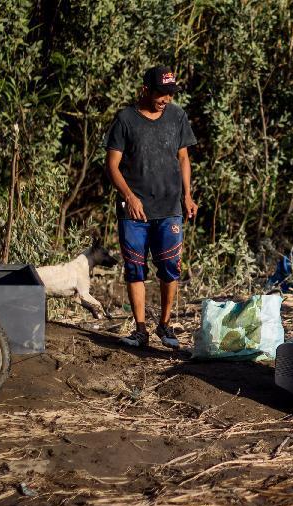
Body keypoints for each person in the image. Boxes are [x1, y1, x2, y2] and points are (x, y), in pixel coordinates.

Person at [105, 66, 197, 349]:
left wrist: (188, 195)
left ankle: (165, 325)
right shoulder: (125, 119)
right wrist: (130, 197)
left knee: (170, 266)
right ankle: (140, 329)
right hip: (134, 211)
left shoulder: (177, 117)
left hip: (169, 207)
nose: (166, 99)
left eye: (170, 93)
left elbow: (183, 158)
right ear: (146, 89)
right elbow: (112, 165)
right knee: (135, 268)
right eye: (161, 93)